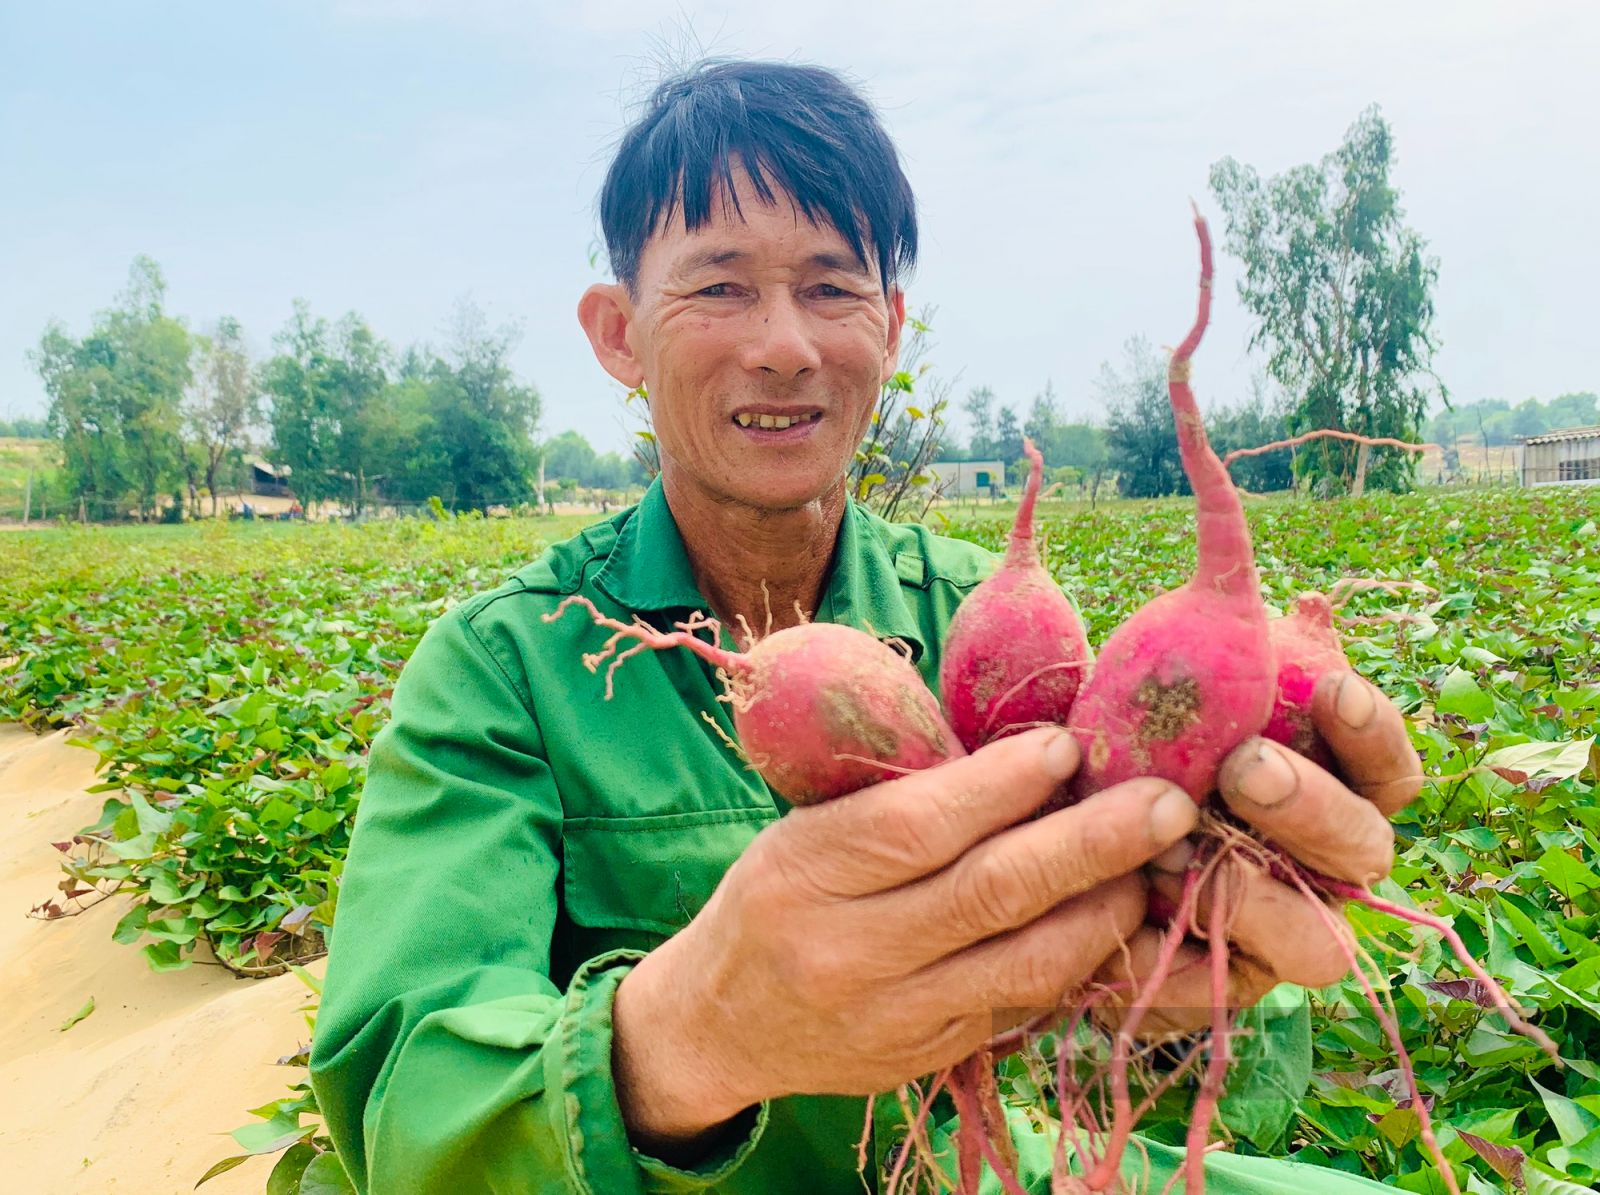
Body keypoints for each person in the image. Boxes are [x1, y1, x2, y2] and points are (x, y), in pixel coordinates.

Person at [309, 60, 1422, 1193]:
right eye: (720, 288)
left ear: (890, 328)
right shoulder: (500, 667)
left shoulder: (991, 618)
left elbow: (1138, 1036)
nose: (785, 344)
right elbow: (405, 1109)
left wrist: (1201, 946)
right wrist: (690, 1038)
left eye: (833, 289)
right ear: (617, 333)